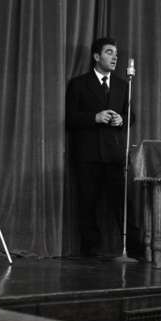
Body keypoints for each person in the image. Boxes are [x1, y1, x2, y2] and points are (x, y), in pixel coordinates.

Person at [66, 37, 141, 257]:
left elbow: (131, 116)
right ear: (96, 56)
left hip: (114, 155)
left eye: (116, 54)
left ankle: (134, 250)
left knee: (123, 204)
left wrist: (122, 120)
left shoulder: (123, 85)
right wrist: (95, 117)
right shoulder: (79, 83)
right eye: (109, 52)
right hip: (87, 156)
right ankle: (91, 251)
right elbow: (70, 118)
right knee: (87, 205)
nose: (115, 57)